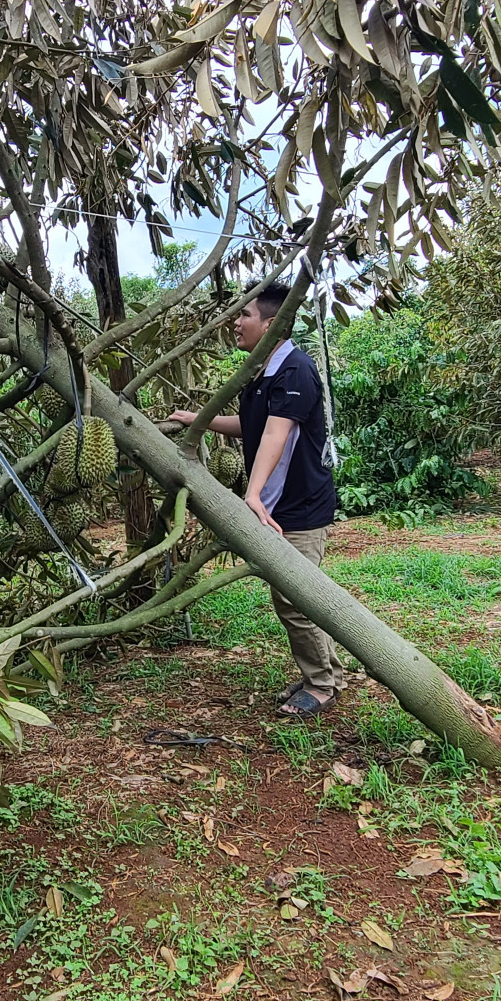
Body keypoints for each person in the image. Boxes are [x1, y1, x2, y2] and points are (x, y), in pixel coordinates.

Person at [170, 282, 342, 715]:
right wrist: (199, 419)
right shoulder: (263, 370)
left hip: (298, 505)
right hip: (276, 503)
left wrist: (250, 492)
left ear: (272, 323)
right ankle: (326, 673)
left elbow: (276, 433)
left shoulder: (295, 370)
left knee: (294, 597)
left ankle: (321, 686)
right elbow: (252, 425)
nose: (236, 322)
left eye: (245, 314)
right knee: (304, 595)